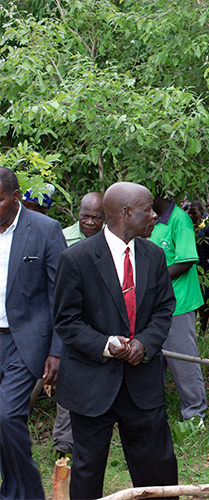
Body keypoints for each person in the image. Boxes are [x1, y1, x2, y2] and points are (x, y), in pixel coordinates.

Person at [53, 182, 178, 500]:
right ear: (126, 213)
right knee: (88, 471)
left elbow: (164, 309)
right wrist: (107, 345)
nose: (154, 215)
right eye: (148, 210)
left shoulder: (154, 256)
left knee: (158, 470)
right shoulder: (76, 259)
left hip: (143, 385)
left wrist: (144, 344)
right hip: (90, 385)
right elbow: (66, 321)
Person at [0, 167, 66, 499]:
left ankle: (26, 493)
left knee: (7, 415)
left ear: (14, 198)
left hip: (24, 340)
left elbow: (60, 296)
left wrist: (56, 350)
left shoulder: (45, 230)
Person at [54, 192, 106, 457]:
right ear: (78, 213)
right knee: (68, 373)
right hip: (69, 317)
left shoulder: (113, 240)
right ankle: (64, 440)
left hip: (101, 320)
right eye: (85, 216)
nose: (90, 222)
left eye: (96, 218)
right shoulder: (61, 237)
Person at [150, 192, 208, 423]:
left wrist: (151, 279)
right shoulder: (149, 218)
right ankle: (152, 415)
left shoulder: (178, 219)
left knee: (184, 363)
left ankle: (195, 416)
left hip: (178, 303)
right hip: (153, 304)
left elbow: (185, 260)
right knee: (152, 362)